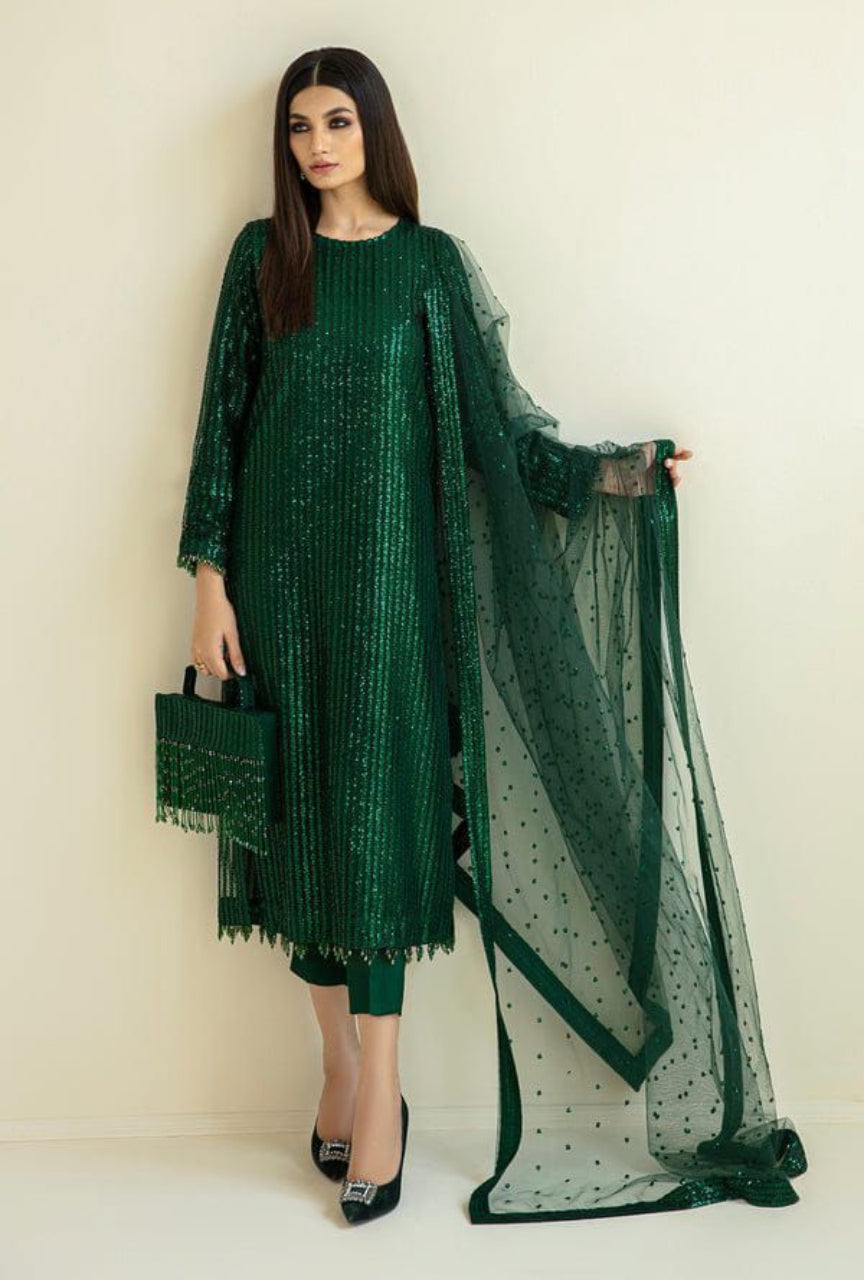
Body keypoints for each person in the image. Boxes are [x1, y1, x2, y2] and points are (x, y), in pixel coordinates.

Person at [174, 46, 806, 1225]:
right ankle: (339, 1062)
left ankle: (385, 1092)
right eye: (302, 126)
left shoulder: (429, 265)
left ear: (377, 133)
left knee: (376, 845)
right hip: (275, 596)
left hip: (393, 610)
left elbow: (499, 437)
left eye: (340, 123)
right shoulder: (265, 260)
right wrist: (208, 583)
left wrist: (614, 474)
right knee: (297, 841)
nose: (319, 144)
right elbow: (222, 421)